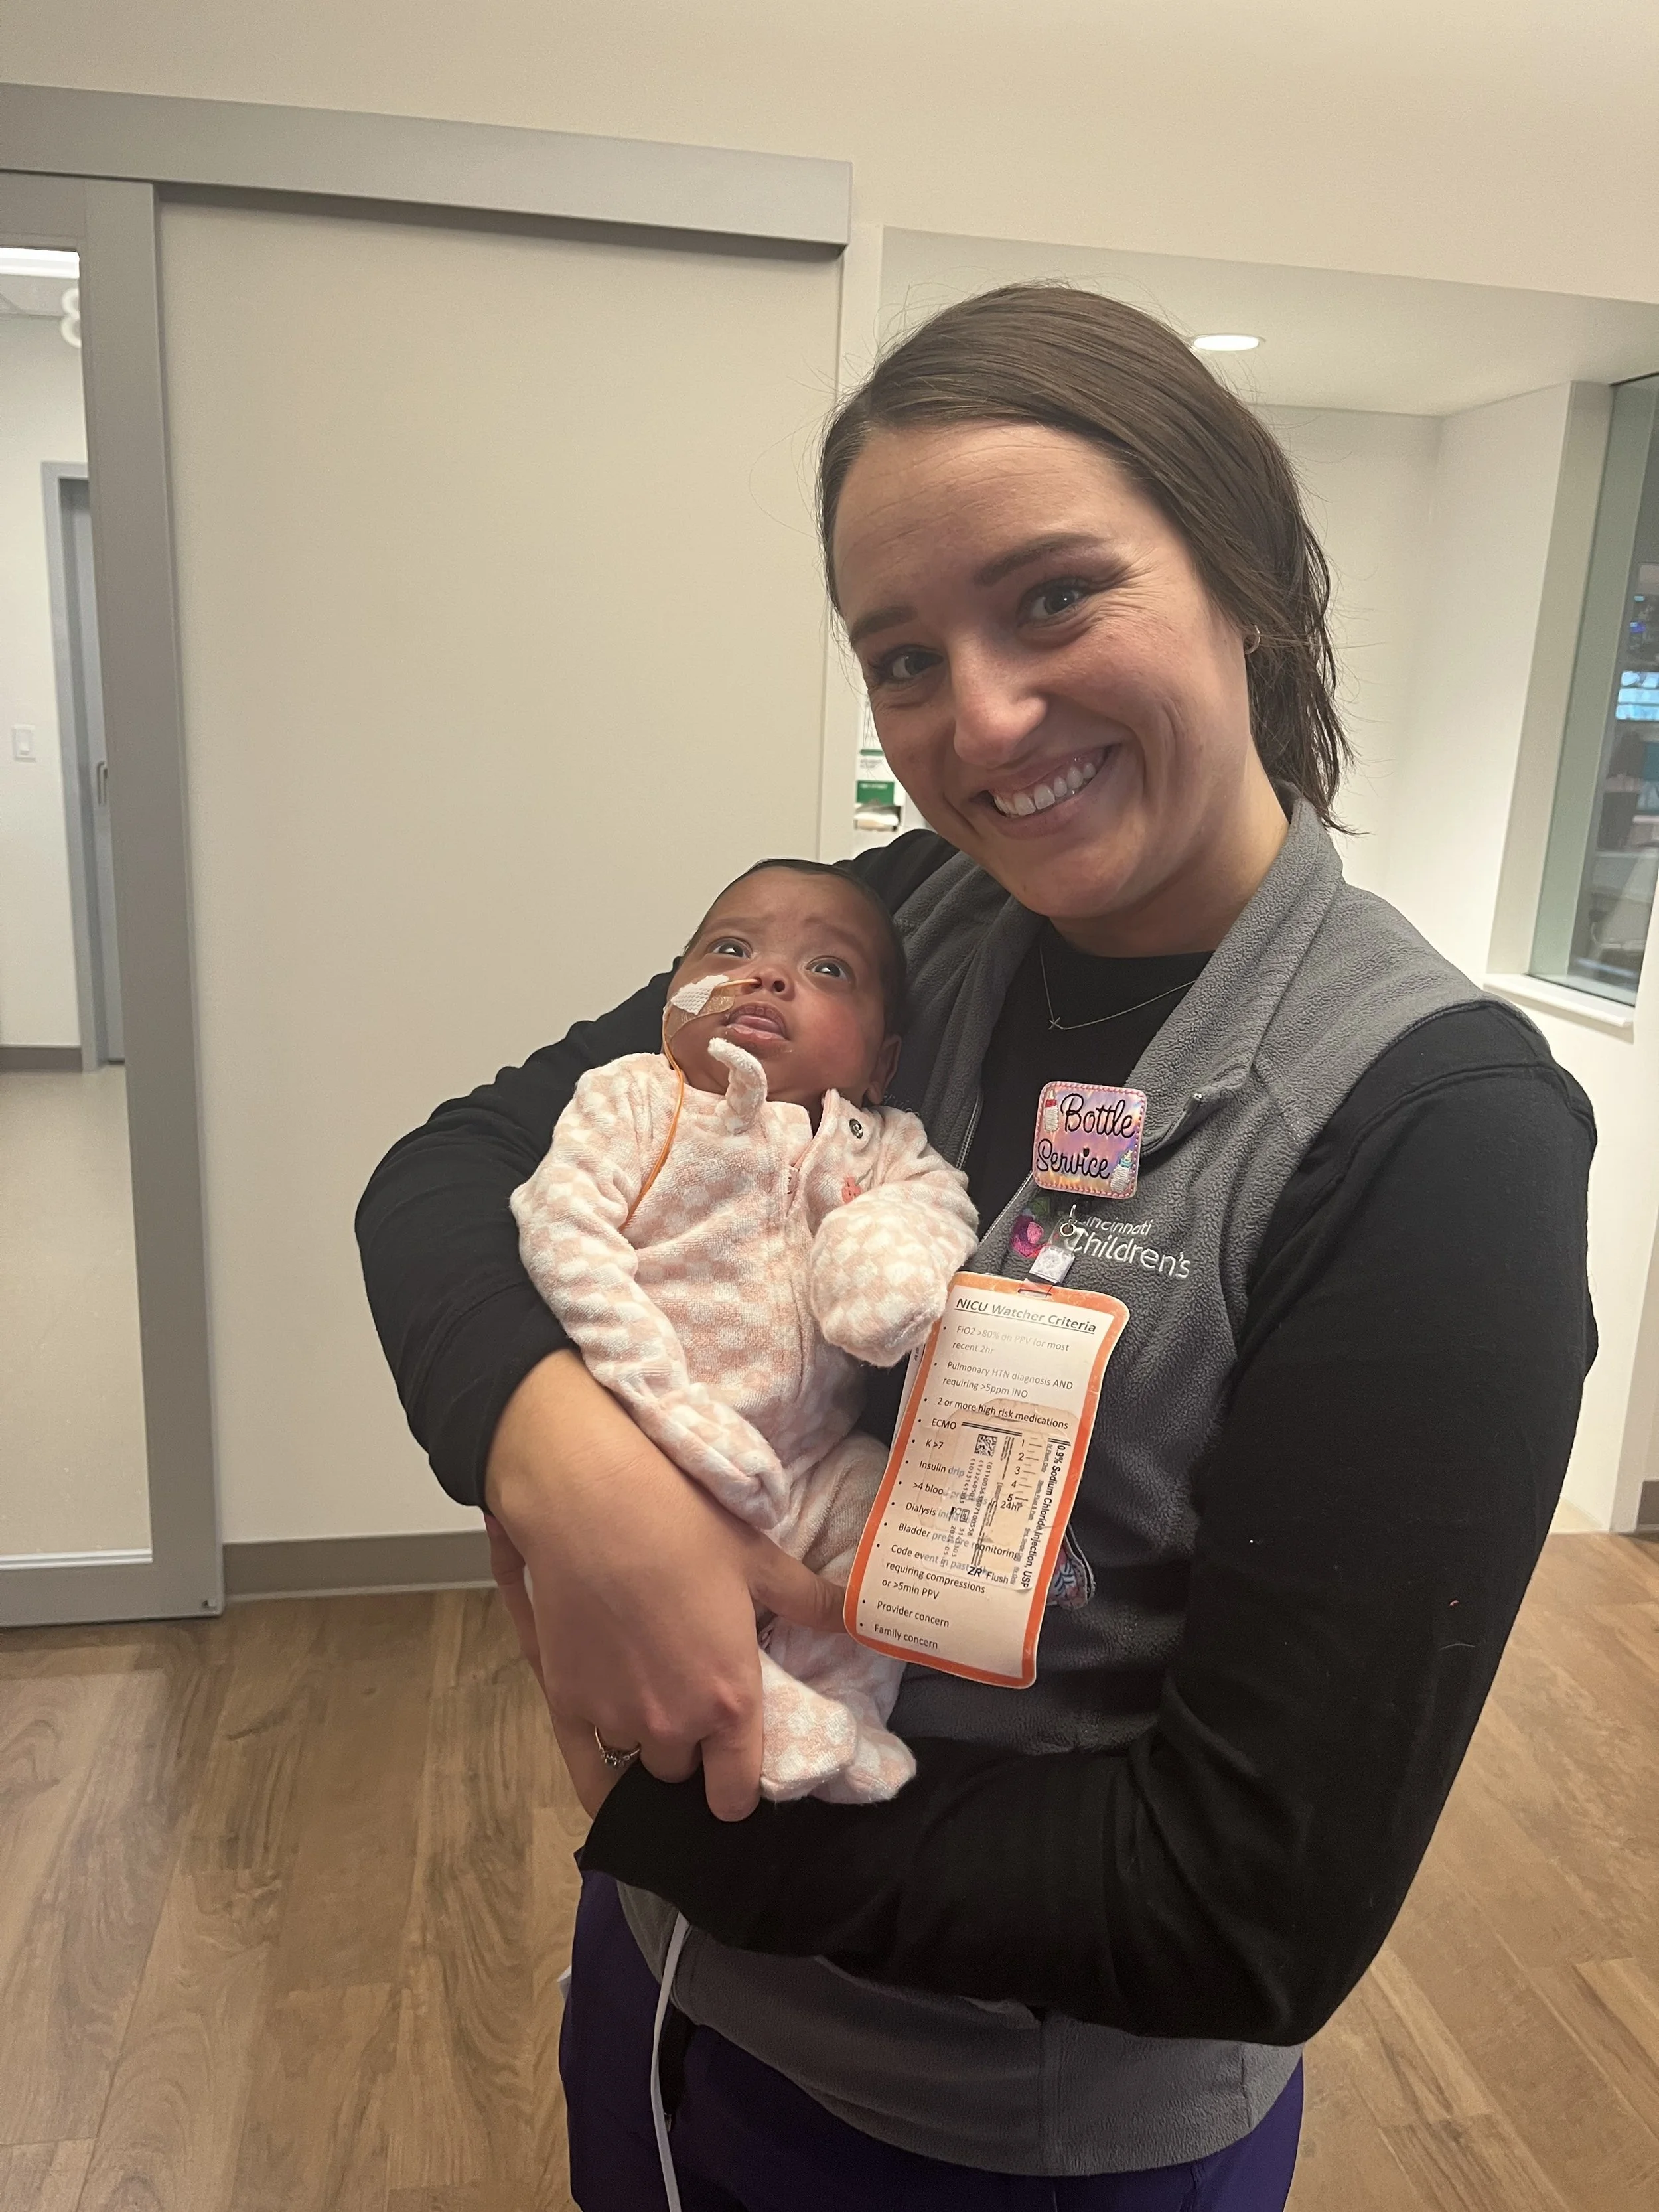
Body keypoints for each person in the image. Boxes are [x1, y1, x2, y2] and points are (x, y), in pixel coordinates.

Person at [358, 283, 1596, 2208]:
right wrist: (563, 1462)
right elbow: (448, 1171)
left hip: (999, 2138)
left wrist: (657, 1809)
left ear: (1249, 577)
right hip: (672, 2007)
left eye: (1050, 600)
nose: (983, 721)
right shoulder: (894, 924)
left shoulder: (1429, 1136)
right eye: (902, 654)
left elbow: (1244, 1907)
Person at [508, 858, 977, 1805]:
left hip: (811, 1460)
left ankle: (845, 1702)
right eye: (731, 950)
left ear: (881, 1061)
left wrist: (874, 1260)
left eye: (829, 970)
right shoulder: (638, 1098)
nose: (768, 976)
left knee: (883, 1525)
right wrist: (661, 1403)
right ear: (673, 996)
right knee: (666, 1597)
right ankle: (759, 1712)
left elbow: (938, 1209)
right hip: (649, 1448)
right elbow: (562, 1235)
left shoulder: (880, 1144)